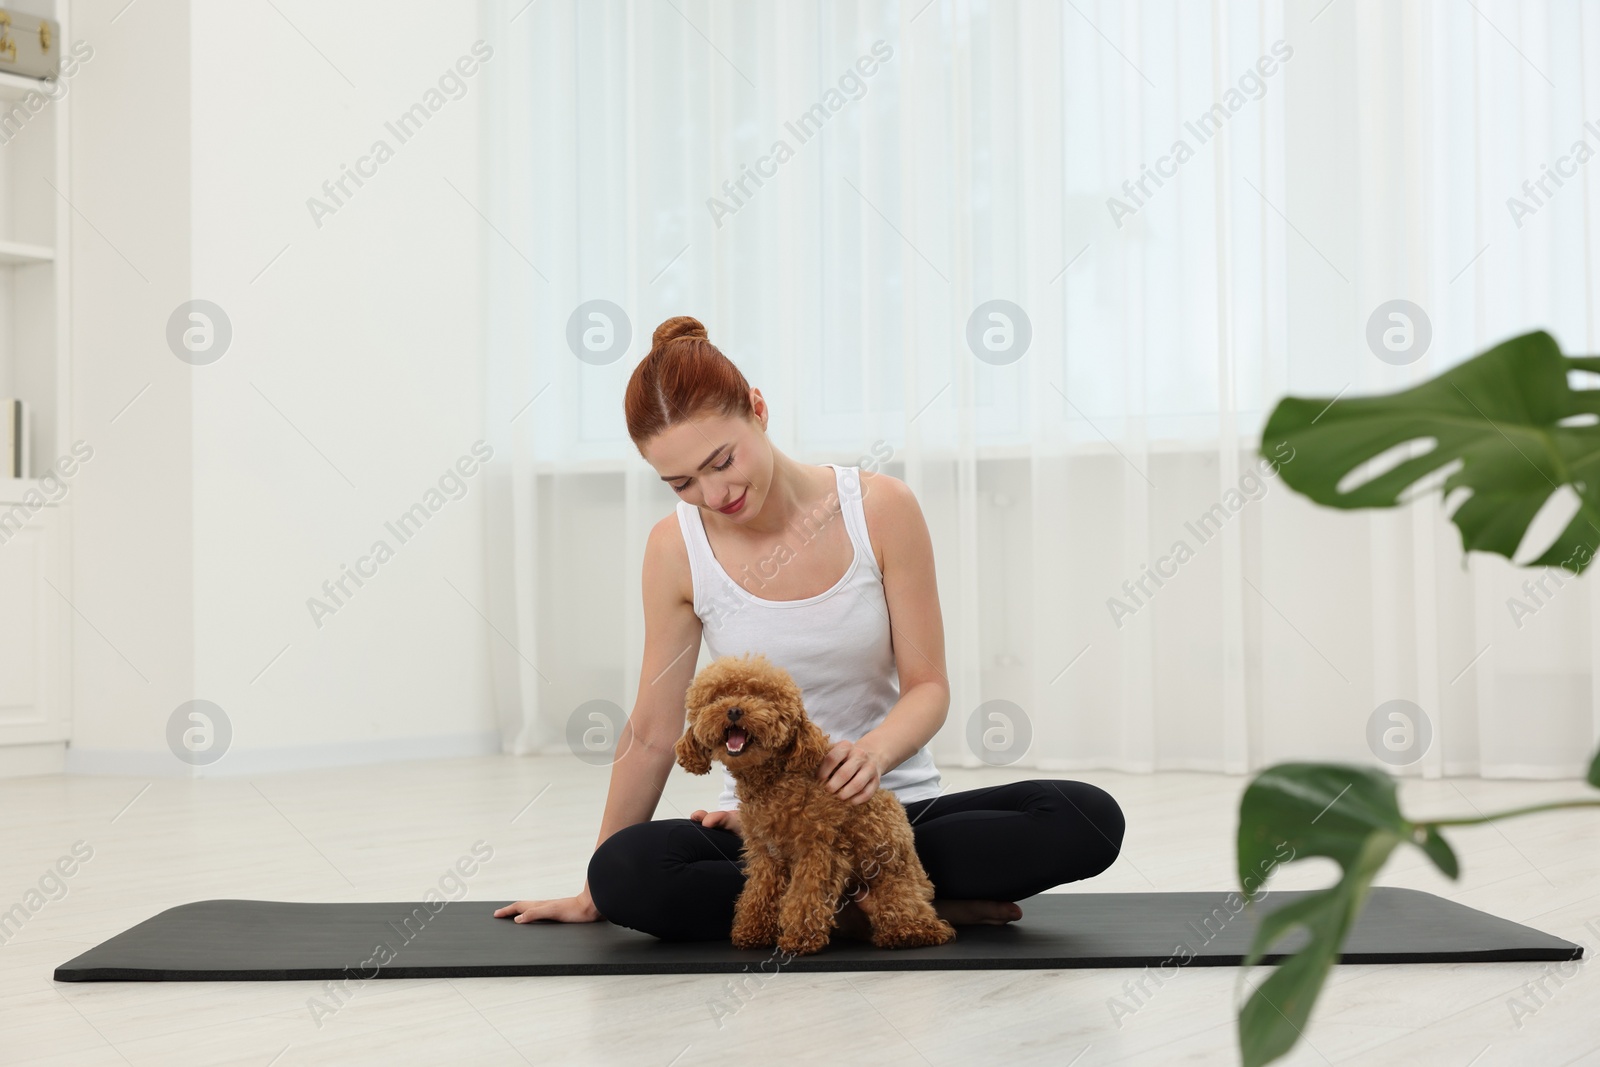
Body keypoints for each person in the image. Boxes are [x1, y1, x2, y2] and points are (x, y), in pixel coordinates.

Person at [493, 315, 1125, 941]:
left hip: (894, 818)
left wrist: (873, 754)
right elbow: (654, 732)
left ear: (758, 410)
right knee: (626, 872)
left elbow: (928, 686)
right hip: (765, 832)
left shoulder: (881, 509)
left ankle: (867, 890)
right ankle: (872, 908)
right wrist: (592, 890)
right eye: (682, 483)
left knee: (1086, 818)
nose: (713, 495)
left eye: (721, 462)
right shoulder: (674, 549)